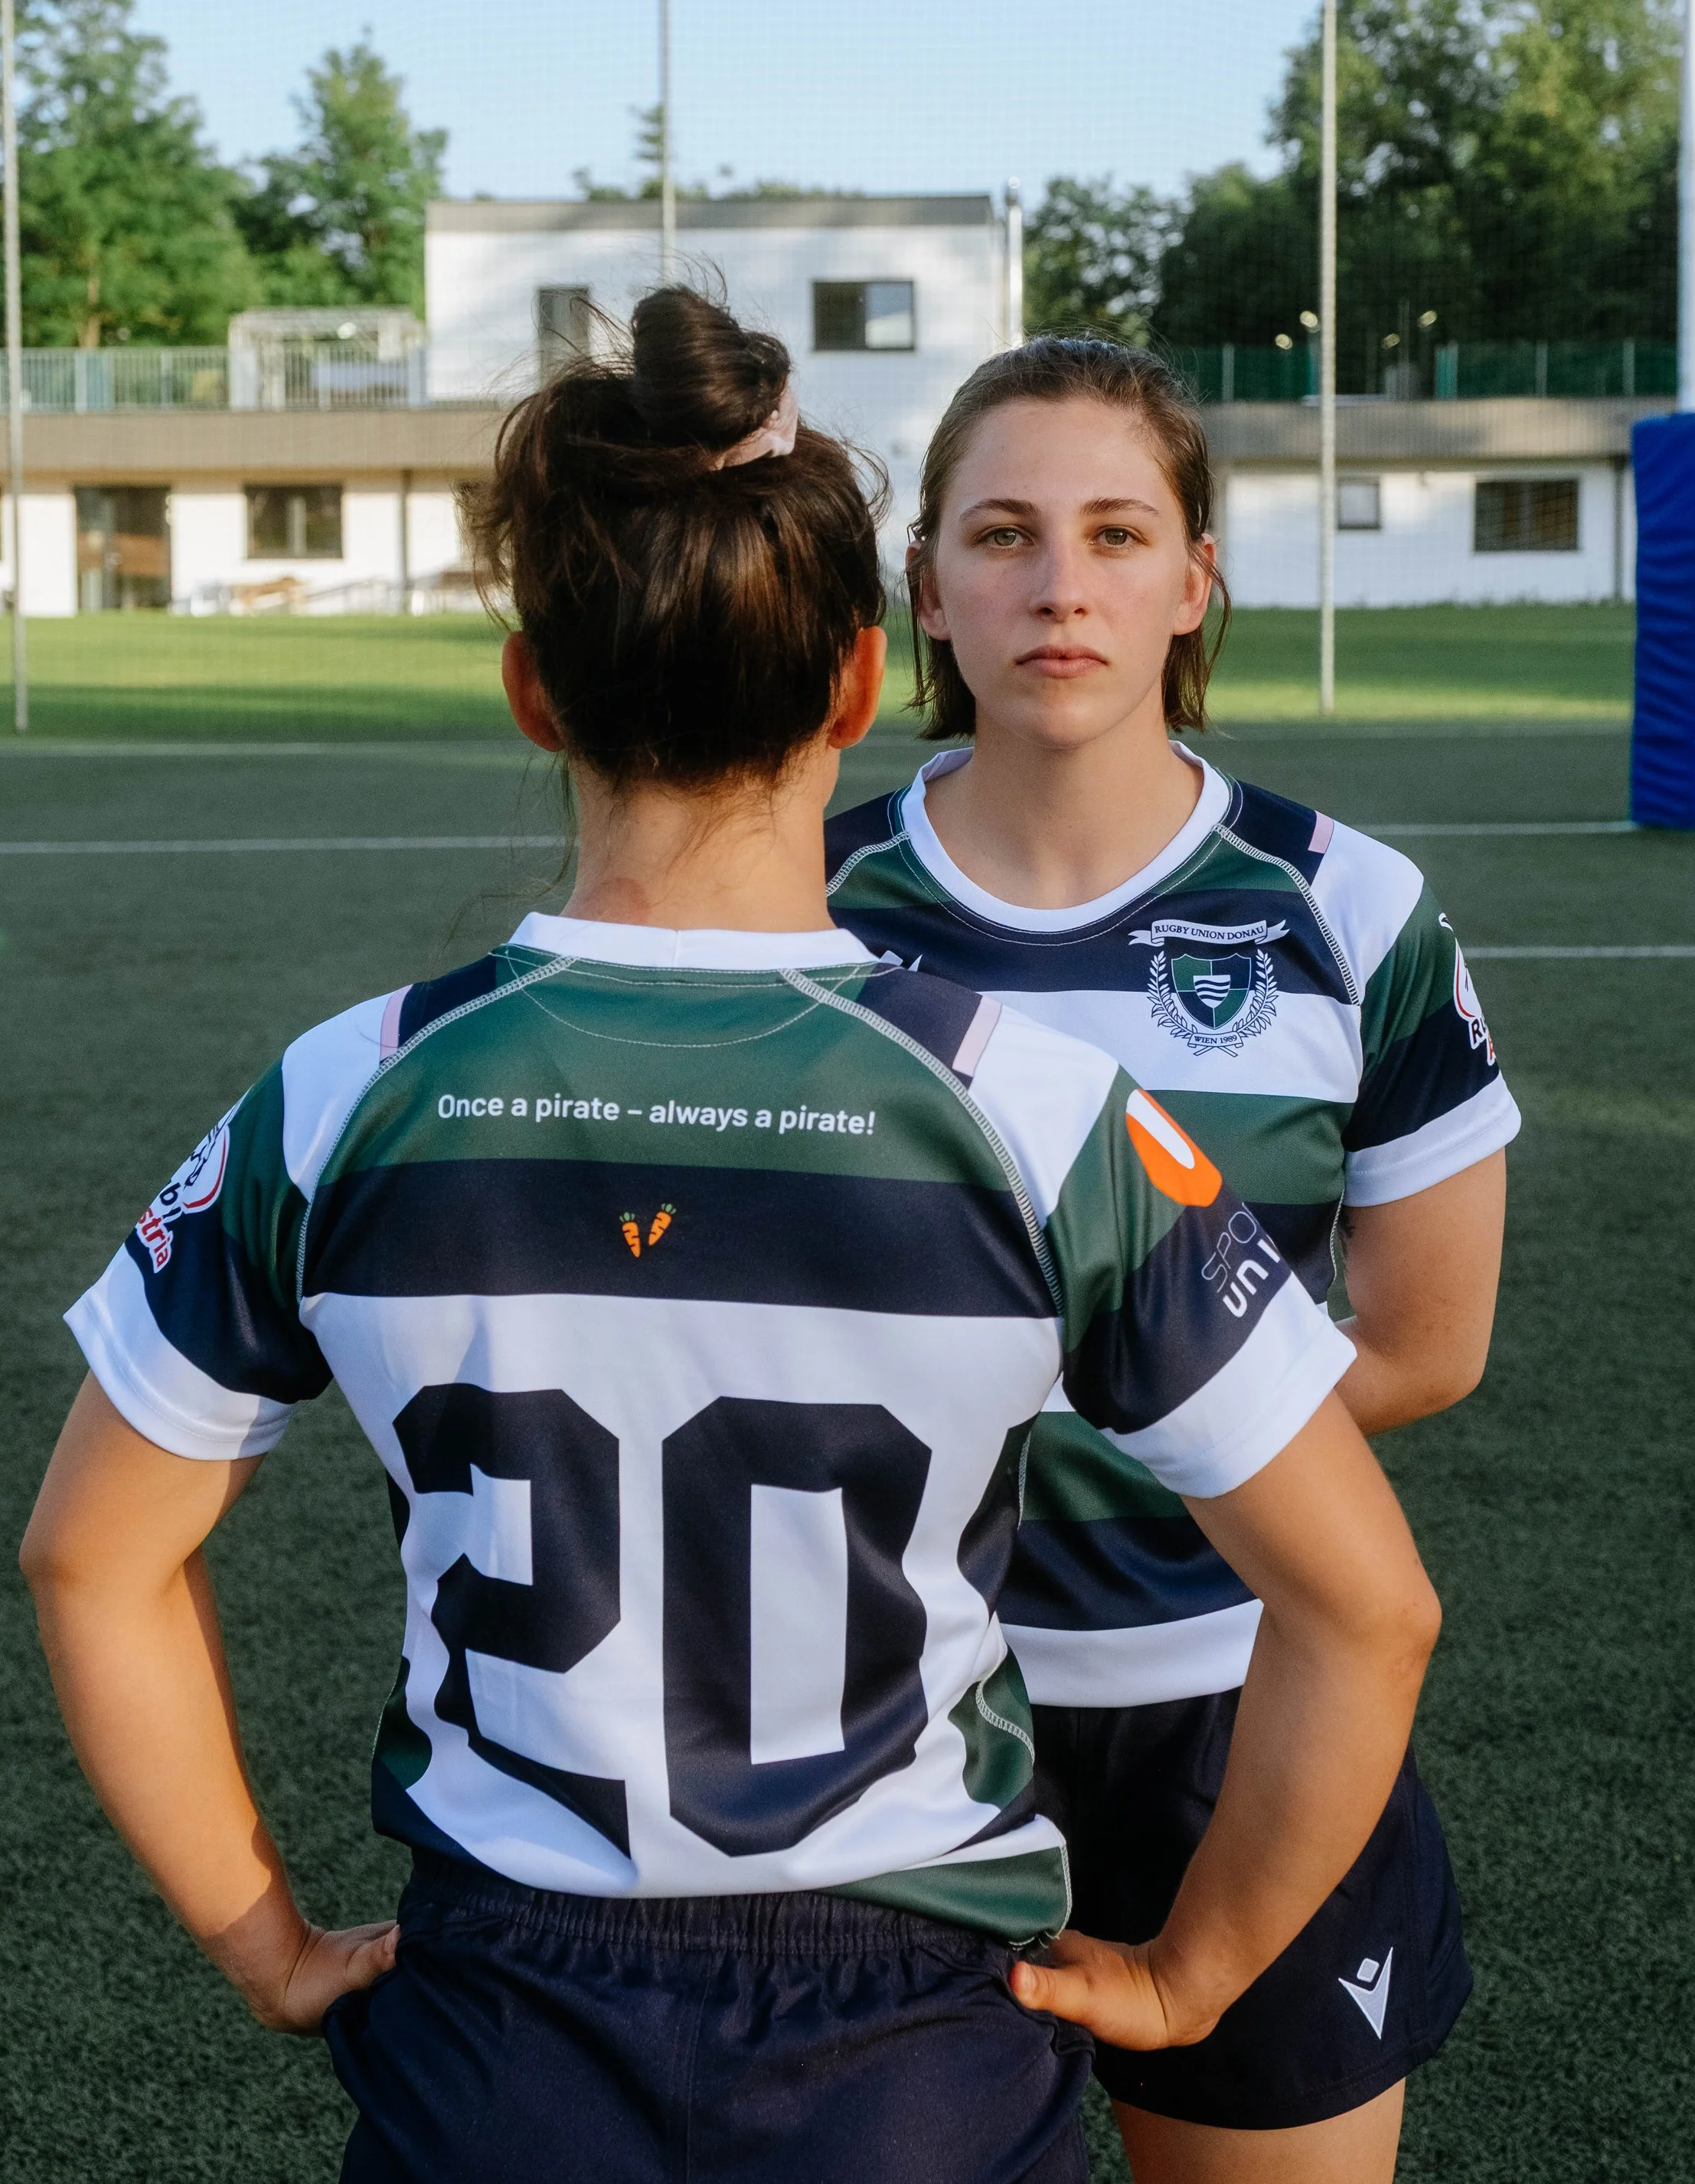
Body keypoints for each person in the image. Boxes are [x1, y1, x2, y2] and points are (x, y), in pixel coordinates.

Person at [21, 291, 1442, 2184]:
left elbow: (86, 1557)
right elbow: (1368, 1601)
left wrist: (259, 1932)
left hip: (495, 2028)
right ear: (859, 683)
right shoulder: (1047, 1112)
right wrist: (1191, 1978)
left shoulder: (338, 1091)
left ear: (535, 691)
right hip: (906, 2040)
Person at [825, 336, 1520, 2184]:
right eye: (1003, 532)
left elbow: (1429, 1340)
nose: (1060, 582)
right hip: (888, 1725)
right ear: (929, 587)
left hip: (1247, 1703)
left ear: (1192, 578)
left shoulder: (1340, 906)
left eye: (1117, 530)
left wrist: (1154, 1420)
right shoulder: (795, 913)